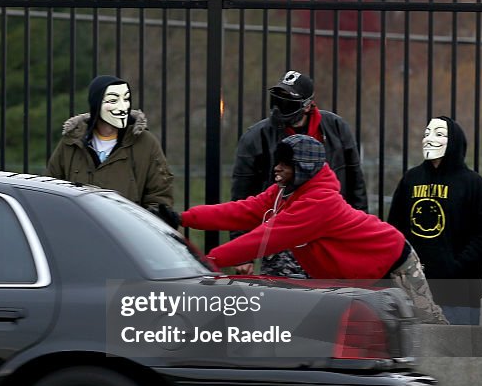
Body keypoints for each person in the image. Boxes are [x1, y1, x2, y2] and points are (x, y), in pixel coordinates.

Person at [172, 134, 447, 324]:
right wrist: (183, 218)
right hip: (357, 272)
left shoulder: (319, 202)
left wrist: (208, 262)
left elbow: (264, 238)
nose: (276, 169)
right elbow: (243, 211)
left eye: (285, 164)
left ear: (303, 168)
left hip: (392, 260)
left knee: (429, 325)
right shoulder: (286, 193)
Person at [230, 70, 367, 276]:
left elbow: (356, 185)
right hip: (282, 241)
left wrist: (359, 238)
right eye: (275, 101)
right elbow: (242, 194)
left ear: (308, 105)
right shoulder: (256, 138)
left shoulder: (336, 129)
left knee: (332, 303)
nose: (278, 109)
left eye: (287, 102)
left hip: (328, 238)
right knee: (284, 303)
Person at [388, 116, 482, 326]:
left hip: (460, 295)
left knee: (458, 353)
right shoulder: (411, 179)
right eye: (426, 133)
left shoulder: (473, 183)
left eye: (438, 134)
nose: (429, 139)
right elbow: (394, 230)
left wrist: (454, 268)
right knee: (418, 355)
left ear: (453, 140)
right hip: (415, 291)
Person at [46, 75, 174, 214]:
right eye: (113, 100)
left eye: (126, 99)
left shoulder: (145, 142)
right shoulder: (71, 142)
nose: (123, 107)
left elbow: (160, 196)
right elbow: (50, 190)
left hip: (125, 233)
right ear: (96, 104)